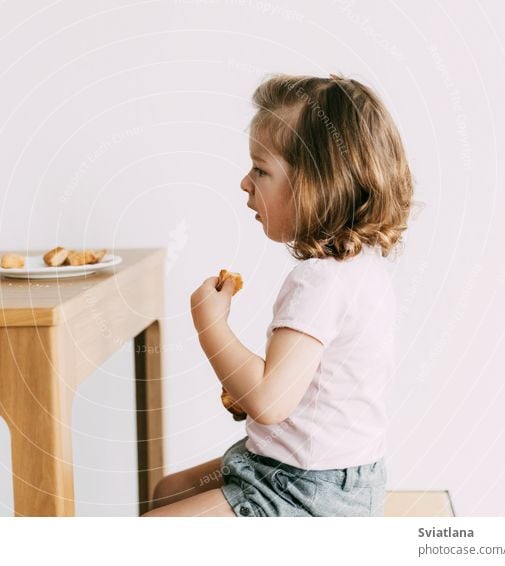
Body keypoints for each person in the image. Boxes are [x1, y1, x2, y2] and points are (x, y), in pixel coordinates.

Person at [143, 73, 414, 517]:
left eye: (261, 170)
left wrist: (209, 323)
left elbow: (269, 400)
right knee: (169, 491)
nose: (245, 183)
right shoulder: (359, 267)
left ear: (317, 183)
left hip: (307, 492)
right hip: (322, 476)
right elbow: (308, 389)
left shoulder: (322, 282)